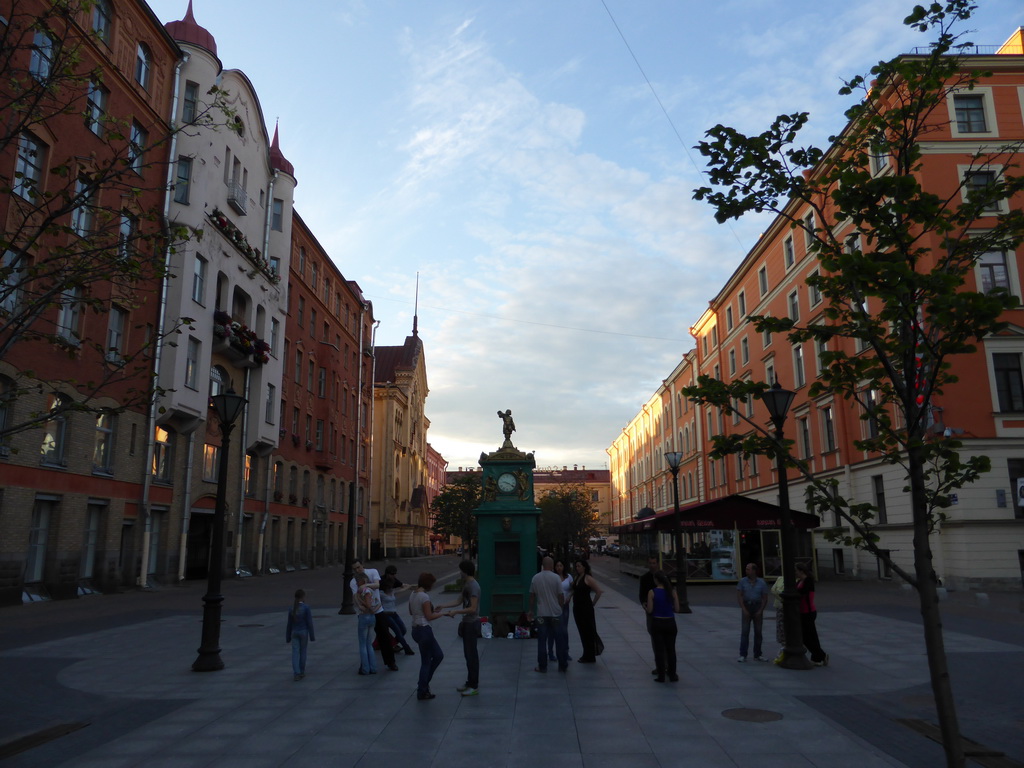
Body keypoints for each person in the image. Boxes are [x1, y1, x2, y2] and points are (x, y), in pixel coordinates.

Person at [441, 560, 481, 696]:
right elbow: (459, 601)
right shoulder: (467, 585)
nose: (459, 573)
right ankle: (470, 682)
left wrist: (456, 612)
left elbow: (473, 608)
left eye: (460, 570)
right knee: (468, 654)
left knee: (472, 655)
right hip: (466, 623)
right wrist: (443, 606)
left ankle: (474, 685)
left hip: (472, 623)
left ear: (465, 571)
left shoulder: (474, 586)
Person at [349, 560, 398, 671]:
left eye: (358, 567)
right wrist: (361, 607)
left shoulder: (372, 572)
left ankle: (391, 662)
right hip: (364, 614)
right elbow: (355, 597)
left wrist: (365, 585)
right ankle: (365, 665)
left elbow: (377, 585)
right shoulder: (353, 582)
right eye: (355, 569)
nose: (357, 570)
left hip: (378, 612)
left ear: (362, 565)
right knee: (365, 641)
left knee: (384, 637)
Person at [408, 572, 448, 700]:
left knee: (438, 655)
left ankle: (423, 685)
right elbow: (429, 617)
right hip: (425, 630)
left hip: (415, 630)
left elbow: (411, 611)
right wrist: (444, 614)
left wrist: (431, 611)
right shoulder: (424, 597)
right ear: (428, 584)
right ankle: (422, 689)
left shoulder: (413, 594)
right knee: (426, 662)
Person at [528, 556, 567, 673]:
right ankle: (563, 664)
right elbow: (561, 595)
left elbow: (532, 596)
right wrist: (561, 607)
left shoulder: (536, 578)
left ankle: (542, 666)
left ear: (542, 565)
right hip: (555, 614)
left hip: (541, 615)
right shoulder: (556, 578)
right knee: (559, 639)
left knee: (542, 640)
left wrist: (531, 610)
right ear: (552, 565)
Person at [646, 570, 681, 682]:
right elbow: (677, 609)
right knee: (671, 650)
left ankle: (661, 675)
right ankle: (672, 674)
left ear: (656, 580)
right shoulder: (672, 591)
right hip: (670, 623)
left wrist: (645, 607)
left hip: (657, 623)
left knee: (659, 650)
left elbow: (650, 610)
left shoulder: (652, 592)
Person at [736, 562, 770, 662]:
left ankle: (758, 654)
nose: (746, 571)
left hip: (757, 605)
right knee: (745, 631)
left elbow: (765, 597)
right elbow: (740, 596)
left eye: (748, 569)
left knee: (758, 631)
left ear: (754, 571)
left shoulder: (762, 582)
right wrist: (743, 609)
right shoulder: (742, 581)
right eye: (746, 569)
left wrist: (761, 610)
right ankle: (743, 654)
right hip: (747, 605)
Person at [796, 563, 828, 666]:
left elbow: (802, 593)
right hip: (802, 612)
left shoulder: (808, 581)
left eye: (796, 570)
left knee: (808, 636)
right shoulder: (799, 581)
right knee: (808, 636)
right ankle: (817, 656)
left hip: (808, 612)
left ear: (801, 571)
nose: (795, 572)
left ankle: (820, 655)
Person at [572, 559, 603, 663]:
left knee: (588, 631)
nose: (577, 568)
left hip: (586, 608)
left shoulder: (588, 578)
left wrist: (593, 603)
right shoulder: (577, 577)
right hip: (577, 608)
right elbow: (573, 589)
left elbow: (598, 591)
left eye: (579, 566)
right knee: (582, 631)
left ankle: (590, 655)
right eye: (576, 566)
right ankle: (586, 653)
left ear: (584, 567)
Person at [381, 569, 415, 657]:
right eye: (389, 587)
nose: (391, 589)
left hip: (394, 613)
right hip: (386, 615)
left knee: (403, 630)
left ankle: (392, 644)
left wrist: (411, 586)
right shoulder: (380, 593)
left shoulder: (392, 591)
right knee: (398, 631)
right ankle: (407, 648)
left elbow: (402, 589)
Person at [285, 588, 315, 681]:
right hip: (303, 632)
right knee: (303, 652)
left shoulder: (291, 609)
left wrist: (288, 636)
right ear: (303, 597)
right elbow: (309, 622)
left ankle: (296, 672)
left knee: (295, 652)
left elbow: (289, 624)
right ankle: (302, 671)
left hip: (294, 632)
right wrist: (312, 635)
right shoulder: (306, 608)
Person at [354, 572, 378, 675]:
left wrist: (359, 600)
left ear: (361, 581)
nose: (356, 583)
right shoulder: (369, 590)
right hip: (371, 617)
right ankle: (372, 667)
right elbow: (375, 603)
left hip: (364, 617)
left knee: (363, 644)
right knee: (369, 644)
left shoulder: (364, 591)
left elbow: (368, 605)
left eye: (357, 581)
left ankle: (365, 668)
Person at [639, 555, 659, 675]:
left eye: (654, 563)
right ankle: (659, 665)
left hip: (662, 611)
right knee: (654, 638)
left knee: (664, 641)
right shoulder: (645, 578)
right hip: (651, 611)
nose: (652, 565)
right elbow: (641, 595)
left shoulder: (663, 577)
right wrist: (644, 605)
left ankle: (667, 665)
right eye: (650, 563)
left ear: (657, 564)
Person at [549, 560, 573, 662]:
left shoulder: (568, 577)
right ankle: (550, 653)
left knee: (564, 630)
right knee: (553, 630)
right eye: (557, 566)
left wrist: (569, 596)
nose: (559, 568)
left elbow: (573, 588)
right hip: (554, 606)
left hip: (565, 605)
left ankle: (565, 652)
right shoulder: (552, 577)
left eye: (561, 565)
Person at [771, 576, 786, 664]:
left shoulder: (796, 580)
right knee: (780, 629)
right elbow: (773, 590)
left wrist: (779, 593)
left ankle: (784, 650)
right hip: (779, 607)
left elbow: (779, 592)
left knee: (787, 630)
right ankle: (783, 648)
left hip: (788, 608)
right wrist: (781, 595)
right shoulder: (780, 578)